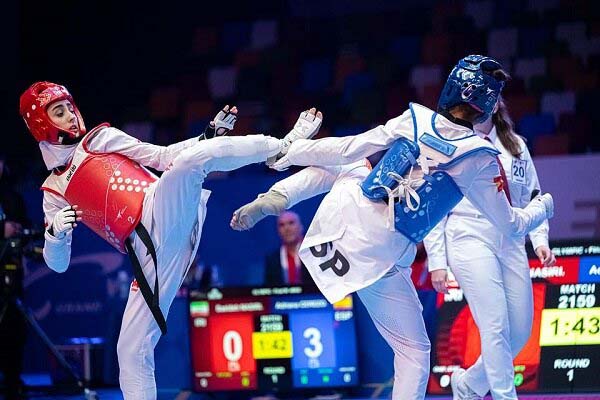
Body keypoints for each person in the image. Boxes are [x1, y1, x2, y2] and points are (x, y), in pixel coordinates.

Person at [231, 55, 554, 400]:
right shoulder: (479, 156)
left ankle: (280, 192)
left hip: (344, 220)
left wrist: (294, 150)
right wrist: (543, 206)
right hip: (381, 254)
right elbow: (512, 225)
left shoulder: (415, 119)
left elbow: (345, 147)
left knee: (351, 162)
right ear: (485, 108)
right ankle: (282, 181)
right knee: (414, 353)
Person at [18, 81, 323, 400]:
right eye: (59, 112)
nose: (70, 115)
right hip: (150, 257)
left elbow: (163, 156)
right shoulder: (53, 193)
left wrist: (206, 136)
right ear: (40, 124)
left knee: (191, 163)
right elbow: (58, 264)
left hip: (160, 207)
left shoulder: (100, 139)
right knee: (130, 351)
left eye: (70, 107)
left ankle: (283, 146)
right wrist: (55, 234)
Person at [423, 96, 556, 400]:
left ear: (495, 106)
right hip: (468, 234)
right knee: (494, 325)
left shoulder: (516, 147)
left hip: (510, 239)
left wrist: (540, 240)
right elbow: (435, 205)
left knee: (519, 332)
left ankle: (469, 385)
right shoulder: (452, 144)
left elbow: (532, 195)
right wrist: (437, 261)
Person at [0, 154, 29, 400]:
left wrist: (20, 233)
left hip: (11, 273)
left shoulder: (12, 197)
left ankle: (13, 385)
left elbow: (26, 229)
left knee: (14, 331)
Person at [264, 210, 314, 286]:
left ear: (301, 226)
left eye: (291, 223)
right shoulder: (272, 259)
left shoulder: (312, 254)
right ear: (277, 230)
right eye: (282, 225)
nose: (287, 228)